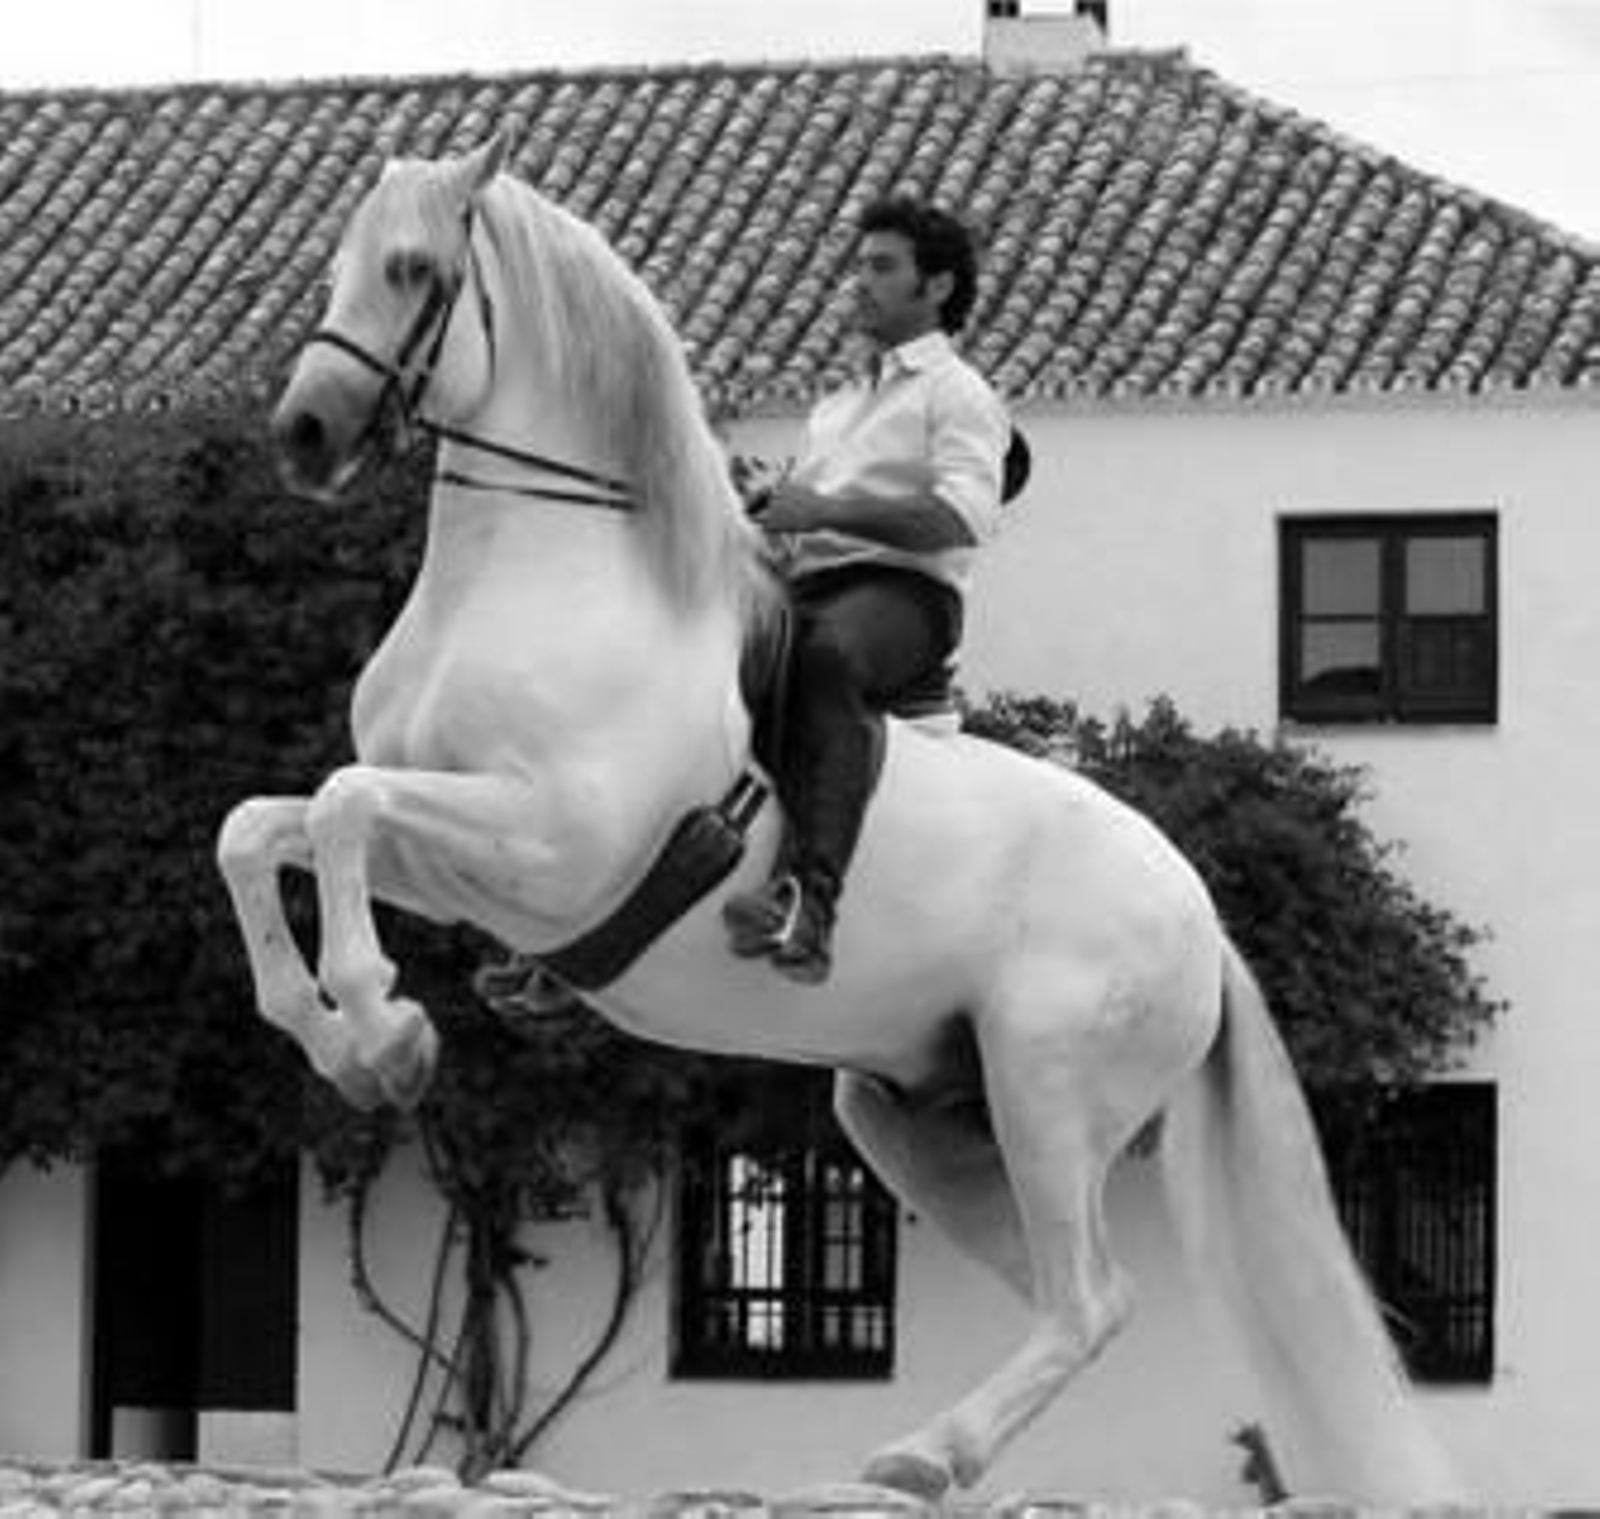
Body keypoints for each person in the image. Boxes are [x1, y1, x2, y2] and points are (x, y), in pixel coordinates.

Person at [724, 195, 1011, 985]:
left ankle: (808, 906)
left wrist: (825, 510)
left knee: (824, 657)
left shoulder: (959, 393)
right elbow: (800, 521)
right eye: (861, 265)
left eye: (883, 267)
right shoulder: (836, 405)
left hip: (906, 596)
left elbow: (962, 516)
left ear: (939, 287)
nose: (861, 281)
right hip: (808, 583)